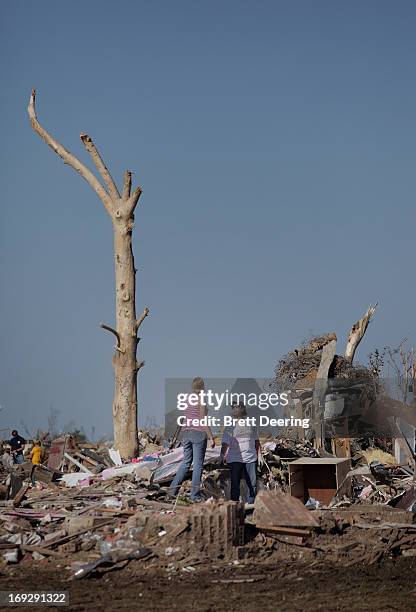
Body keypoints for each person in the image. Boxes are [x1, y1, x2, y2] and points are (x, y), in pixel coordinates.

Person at [169, 377, 215, 502]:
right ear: (203, 387)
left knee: (186, 462)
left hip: (186, 433)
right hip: (198, 433)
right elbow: (202, 419)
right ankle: (195, 495)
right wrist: (211, 437)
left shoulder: (188, 399)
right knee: (198, 465)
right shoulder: (201, 399)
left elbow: (184, 418)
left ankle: (172, 491)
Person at [220, 402, 260, 505]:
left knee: (252, 484)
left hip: (250, 458)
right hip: (235, 459)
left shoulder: (251, 423)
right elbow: (225, 443)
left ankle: (251, 506)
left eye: (237, 407)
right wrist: (221, 455)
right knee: (235, 485)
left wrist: (259, 455)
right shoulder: (230, 426)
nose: (235, 409)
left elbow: (256, 441)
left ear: (242, 409)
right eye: (233, 407)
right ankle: (235, 507)